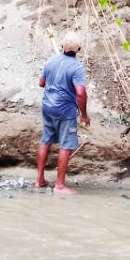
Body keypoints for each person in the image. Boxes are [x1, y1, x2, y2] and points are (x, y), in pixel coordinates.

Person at [36, 31, 90, 195]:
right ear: (79, 49)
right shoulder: (77, 67)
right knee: (66, 144)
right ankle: (59, 185)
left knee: (45, 140)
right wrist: (84, 115)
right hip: (65, 110)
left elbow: (41, 83)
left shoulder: (50, 61)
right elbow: (80, 93)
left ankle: (39, 181)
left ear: (62, 46)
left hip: (47, 107)